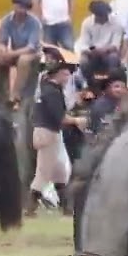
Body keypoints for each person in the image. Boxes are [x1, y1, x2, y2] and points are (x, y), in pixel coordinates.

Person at [28, 49, 83, 215]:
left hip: (50, 132)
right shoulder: (51, 92)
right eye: (65, 74)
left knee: (60, 171)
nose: (67, 77)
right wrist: (77, 120)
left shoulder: (48, 88)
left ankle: (66, 206)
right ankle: (30, 206)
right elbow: (59, 117)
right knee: (44, 172)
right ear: (57, 74)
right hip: (48, 132)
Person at [0, 0, 42, 108]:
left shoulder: (34, 23)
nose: (21, 10)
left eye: (24, 8)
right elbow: (1, 41)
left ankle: (16, 94)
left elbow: (31, 47)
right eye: (19, 7)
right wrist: (3, 50)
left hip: (33, 53)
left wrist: (11, 53)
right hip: (14, 51)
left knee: (23, 60)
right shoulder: (7, 20)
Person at [75, 0, 125, 79]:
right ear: (95, 14)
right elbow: (84, 43)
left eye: (105, 15)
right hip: (92, 52)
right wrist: (93, 50)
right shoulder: (87, 23)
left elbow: (115, 44)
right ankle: (88, 82)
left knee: (113, 58)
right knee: (83, 61)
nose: (104, 17)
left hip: (108, 52)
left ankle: (111, 81)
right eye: (101, 15)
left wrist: (104, 50)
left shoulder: (117, 23)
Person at [87, 69, 128, 136]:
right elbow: (102, 131)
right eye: (116, 86)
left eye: (123, 87)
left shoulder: (121, 101)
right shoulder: (100, 106)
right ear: (107, 88)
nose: (120, 90)